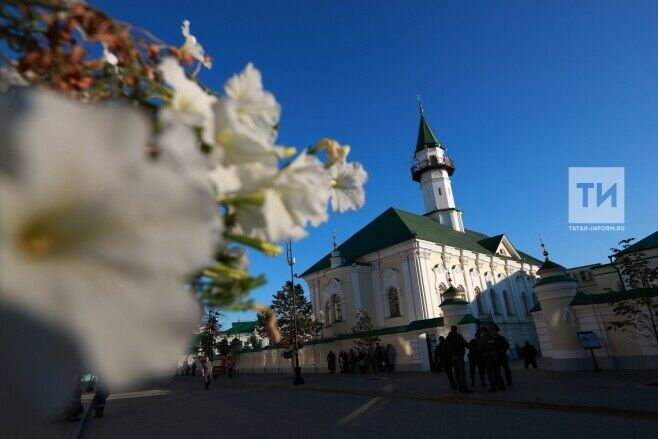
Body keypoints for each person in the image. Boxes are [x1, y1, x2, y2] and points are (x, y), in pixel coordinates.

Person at [445, 326, 472, 393]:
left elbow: (446, 348)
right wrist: (472, 347)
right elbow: (465, 344)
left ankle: (459, 388)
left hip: (453, 357)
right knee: (462, 373)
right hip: (459, 356)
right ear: (456, 330)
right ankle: (464, 388)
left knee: (456, 373)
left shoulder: (448, 338)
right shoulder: (458, 336)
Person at [478, 326, 505, 392]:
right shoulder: (492, 337)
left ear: (482, 331)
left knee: (489, 372)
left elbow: (480, 348)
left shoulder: (483, 338)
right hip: (494, 356)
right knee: (497, 371)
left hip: (487, 357)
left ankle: (493, 387)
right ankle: (502, 385)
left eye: (481, 331)